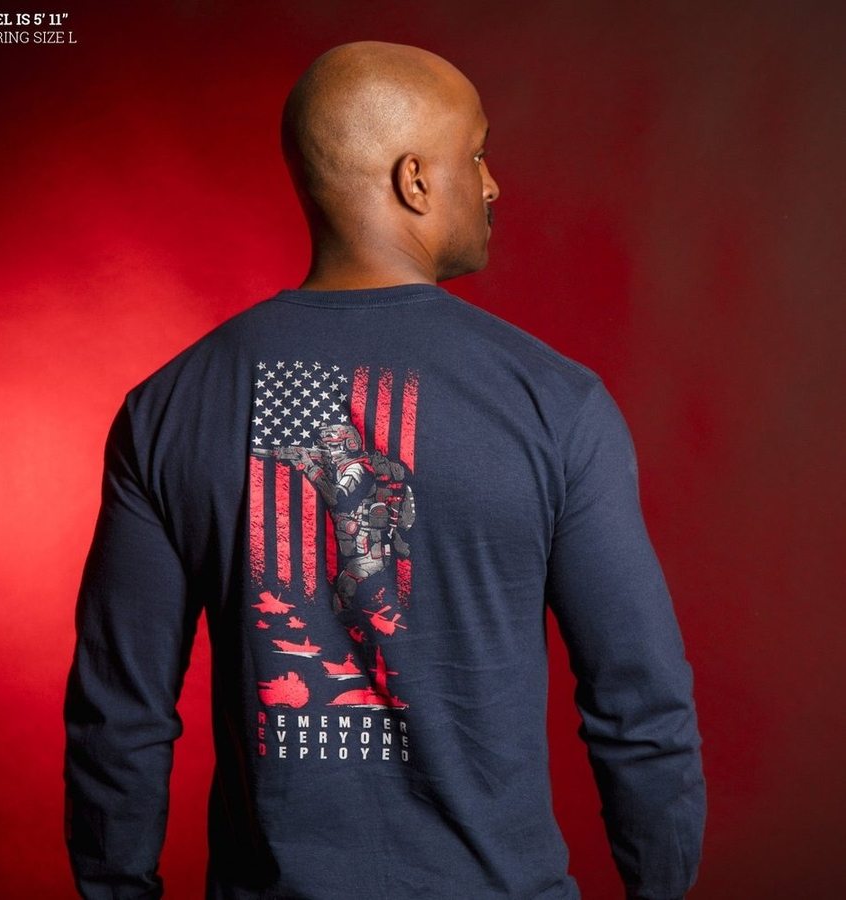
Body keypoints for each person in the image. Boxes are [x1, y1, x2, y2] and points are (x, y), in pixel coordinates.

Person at [63, 40, 706, 900]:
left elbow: (118, 712)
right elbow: (640, 700)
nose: (492, 184)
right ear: (415, 180)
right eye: (476, 154)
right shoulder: (554, 402)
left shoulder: (170, 406)